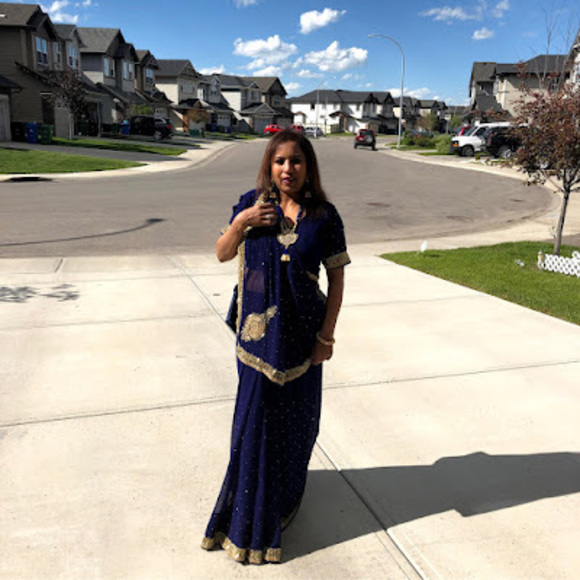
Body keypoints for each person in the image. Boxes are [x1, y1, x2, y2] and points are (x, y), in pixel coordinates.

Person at [201, 129, 350, 565]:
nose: (288, 169)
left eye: (296, 161)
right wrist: (243, 222)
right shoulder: (251, 204)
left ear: (308, 168)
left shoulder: (324, 216)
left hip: (303, 343)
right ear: (269, 165)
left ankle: (283, 500)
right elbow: (222, 253)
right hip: (256, 346)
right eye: (280, 160)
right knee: (254, 429)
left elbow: (337, 279)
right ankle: (246, 520)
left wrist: (326, 337)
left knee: (298, 428)